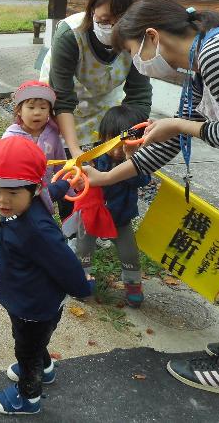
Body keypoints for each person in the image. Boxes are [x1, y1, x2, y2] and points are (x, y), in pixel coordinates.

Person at [84, 0, 219, 400]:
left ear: (151, 37)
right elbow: (167, 142)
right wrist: (104, 178)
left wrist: (178, 123)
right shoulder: (200, 64)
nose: (139, 63)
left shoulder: (218, 52)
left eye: (133, 52)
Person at [0, 136, 94, 415]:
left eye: (12, 193)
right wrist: (67, 184)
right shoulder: (33, 199)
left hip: (32, 305)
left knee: (26, 348)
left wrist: (82, 287)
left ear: (33, 189)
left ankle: (27, 397)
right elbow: (51, 191)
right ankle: (44, 367)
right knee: (35, 344)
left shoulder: (34, 230)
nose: (2, 200)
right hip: (33, 298)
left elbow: (65, 262)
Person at [39, 0, 151, 217]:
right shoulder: (70, 35)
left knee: (102, 162)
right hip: (67, 104)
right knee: (70, 163)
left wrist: (124, 137)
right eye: (102, 19)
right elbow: (64, 99)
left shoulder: (139, 38)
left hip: (106, 101)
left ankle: (94, 217)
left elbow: (139, 97)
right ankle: (70, 222)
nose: (108, 27)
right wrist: (76, 151)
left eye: (116, 21)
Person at [65, 105, 150, 307]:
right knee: (84, 248)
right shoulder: (94, 159)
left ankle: (133, 284)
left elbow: (141, 181)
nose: (120, 150)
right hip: (93, 215)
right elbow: (81, 182)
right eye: (114, 143)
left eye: (127, 145)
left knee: (129, 253)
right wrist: (78, 181)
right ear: (104, 138)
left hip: (121, 218)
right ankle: (82, 279)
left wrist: (132, 159)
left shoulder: (136, 162)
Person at [3, 81, 69, 210]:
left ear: (49, 111)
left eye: (43, 108)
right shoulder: (11, 137)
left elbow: (61, 165)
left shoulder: (53, 136)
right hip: (16, 194)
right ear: (19, 111)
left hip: (44, 194)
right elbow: (1, 165)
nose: (37, 112)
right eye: (31, 107)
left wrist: (69, 188)